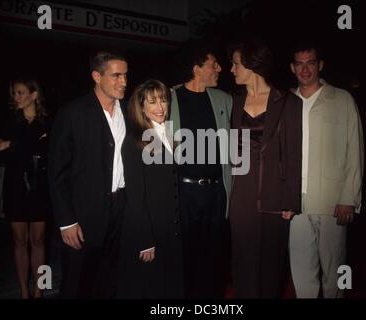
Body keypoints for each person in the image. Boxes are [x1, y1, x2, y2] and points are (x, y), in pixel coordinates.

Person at [48, 51, 133, 298]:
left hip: (121, 209)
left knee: (109, 280)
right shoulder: (72, 112)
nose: (124, 82)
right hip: (83, 214)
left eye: (126, 75)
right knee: (77, 284)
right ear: (97, 76)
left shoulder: (128, 110)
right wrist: (67, 220)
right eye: (116, 75)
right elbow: (57, 172)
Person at [288, 41, 364, 298]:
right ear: (292, 67)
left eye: (310, 62)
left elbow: (355, 150)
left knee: (335, 272)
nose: (305, 69)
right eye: (300, 63)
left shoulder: (342, 99)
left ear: (320, 65)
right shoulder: (286, 102)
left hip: (333, 202)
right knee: (301, 273)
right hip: (296, 202)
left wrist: (348, 198)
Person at [228, 39, 302, 298]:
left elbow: (293, 155)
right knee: (243, 262)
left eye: (236, 64)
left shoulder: (289, 103)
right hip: (240, 195)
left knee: (272, 266)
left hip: (275, 195)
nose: (232, 69)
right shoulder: (234, 102)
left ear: (251, 64)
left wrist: (290, 200)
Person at [169, 45, 232, 298]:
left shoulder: (224, 100)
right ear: (197, 69)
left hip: (216, 191)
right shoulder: (168, 97)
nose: (219, 69)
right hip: (183, 192)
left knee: (214, 260)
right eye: (213, 64)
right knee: (185, 259)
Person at [118, 79, 183, 298]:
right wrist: (145, 239)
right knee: (150, 288)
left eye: (163, 100)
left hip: (169, 229)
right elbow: (135, 196)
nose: (160, 107)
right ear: (142, 106)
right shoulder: (134, 141)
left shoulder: (168, 135)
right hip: (149, 232)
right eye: (152, 101)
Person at [0, 78, 50, 299]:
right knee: (18, 241)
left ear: (34, 95)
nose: (16, 97)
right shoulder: (9, 123)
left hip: (39, 187)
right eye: (14, 93)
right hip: (15, 186)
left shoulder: (47, 122)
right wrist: (8, 146)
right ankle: (25, 292)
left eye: (20, 92)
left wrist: (12, 145)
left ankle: (41, 288)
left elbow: (45, 149)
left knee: (39, 241)